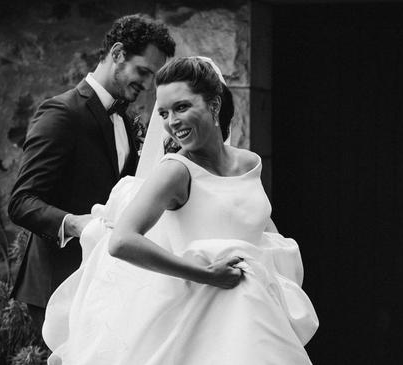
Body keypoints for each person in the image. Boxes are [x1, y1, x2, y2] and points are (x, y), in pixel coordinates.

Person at [42, 56, 318, 364]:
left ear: (214, 105)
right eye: (163, 112)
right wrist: (206, 273)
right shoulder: (176, 171)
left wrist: (272, 271)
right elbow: (121, 241)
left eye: (182, 107)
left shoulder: (249, 162)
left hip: (256, 314)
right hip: (201, 318)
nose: (171, 121)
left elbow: (257, 222)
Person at [7, 14, 175, 332]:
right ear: (117, 53)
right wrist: (77, 224)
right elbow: (22, 202)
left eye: (153, 77)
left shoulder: (124, 120)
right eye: (143, 71)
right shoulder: (61, 113)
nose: (149, 85)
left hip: (101, 280)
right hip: (59, 282)